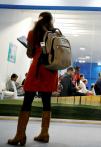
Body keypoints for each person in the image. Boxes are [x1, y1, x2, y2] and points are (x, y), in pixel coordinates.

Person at [8, 12, 58, 146]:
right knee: (47, 102)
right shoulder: (55, 34)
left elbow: (30, 54)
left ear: (39, 19)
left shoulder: (33, 33)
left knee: (27, 101)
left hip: (38, 70)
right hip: (51, 71)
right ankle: (44, 133)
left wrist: (29, 47)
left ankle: (20, 135)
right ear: (51, 21)